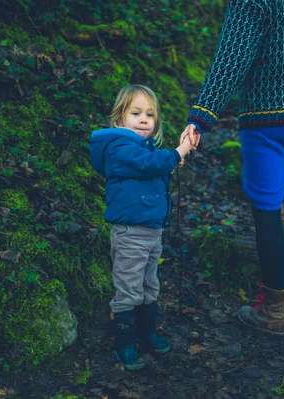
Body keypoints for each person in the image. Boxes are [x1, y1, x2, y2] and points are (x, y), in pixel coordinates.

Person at [181, 0, 284, 335]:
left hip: (266, 115)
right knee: (273, 178)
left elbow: (231, 57)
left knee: (262, 208)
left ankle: (273, 311)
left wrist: (201, 116)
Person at [91, 84, 196, 370]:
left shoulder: (143, 152)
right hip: (129, 233)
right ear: (119, 119)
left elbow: (149, 168)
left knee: (150, 285)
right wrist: (178, 151)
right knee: (129, 288)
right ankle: (122, 344)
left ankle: (146, 332)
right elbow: (147, 164)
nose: (143, 120)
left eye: (150, 115)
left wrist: (169, 165)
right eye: (135, 112)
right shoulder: (119, 147)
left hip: (151, 232)